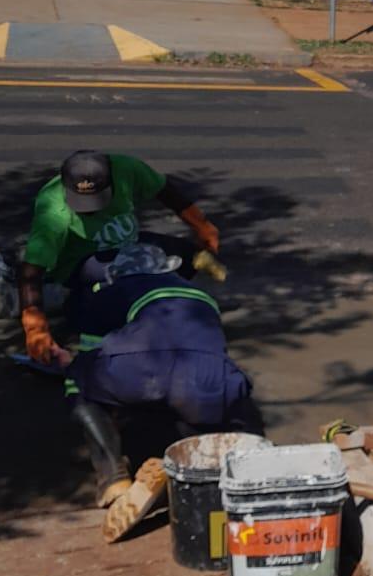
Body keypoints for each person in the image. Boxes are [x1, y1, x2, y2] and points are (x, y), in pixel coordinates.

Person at [55, 242, 260, 505]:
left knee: (79, 379)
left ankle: (113, 477)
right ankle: (229, 464)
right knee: (210, 388)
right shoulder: (200, 294)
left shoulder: (114, 291)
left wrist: (68, 363)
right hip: (210, 381)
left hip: (141, 372)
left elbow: (91, 353)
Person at [19, 150, 220, 366]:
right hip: (80, 261)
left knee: (188, 258)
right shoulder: (53, 210)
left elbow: (165, 191)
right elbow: (32, 270)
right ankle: (84, 302)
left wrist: (201, 225)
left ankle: (139, 298)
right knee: (103, 304)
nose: (89, 211)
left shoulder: (126, 169)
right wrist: (35, 327)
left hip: (126, 245)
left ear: (111, 182)